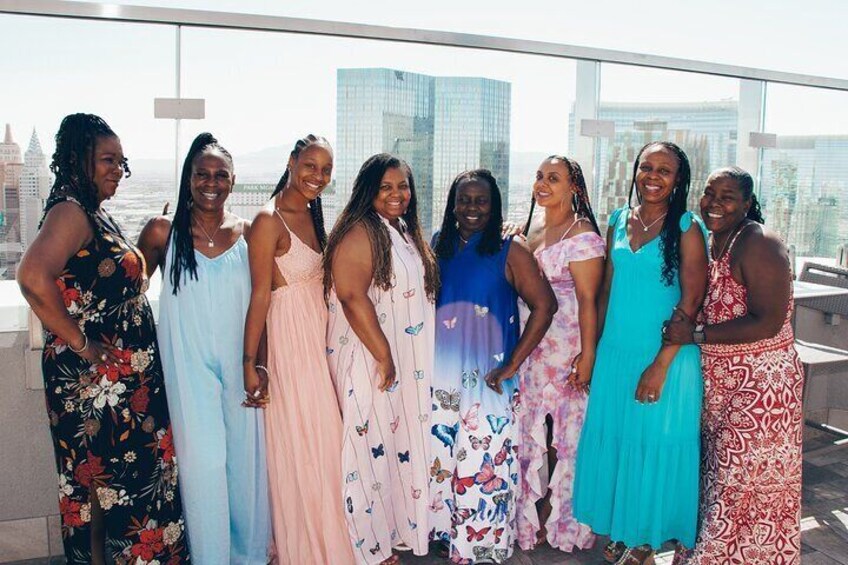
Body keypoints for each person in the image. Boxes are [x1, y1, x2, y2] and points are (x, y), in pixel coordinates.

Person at [16, 113, 189, 564]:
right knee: (97, 492)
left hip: (120, 386)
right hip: (94, 386)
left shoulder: (92, 210)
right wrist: (81, 343)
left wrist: (150, 240)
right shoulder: (70, 212)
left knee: (113, 490)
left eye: (121, 161)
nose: (118, 169)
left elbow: (112, 283)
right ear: (79, 160)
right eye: (108, 159)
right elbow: (32, 276)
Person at [136, 132, 271, 563]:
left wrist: (261, 365)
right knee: (205, 467)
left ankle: (248, 557)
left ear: (233, 180)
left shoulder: (249, 234)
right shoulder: (162, 232)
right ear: (188, 178)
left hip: (240, 367)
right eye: (202, 174)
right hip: (188, 369)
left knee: (245, 467)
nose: (211, 182)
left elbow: (263, 305)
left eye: (220, 175)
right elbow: (128, 291)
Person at [572, 141, 708, 565]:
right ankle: (623, 527)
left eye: (664, 170)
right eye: (646, 167)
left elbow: (691, 302)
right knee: (619, 439)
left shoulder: (687, 227)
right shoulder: (617, 219)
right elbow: (605, 292)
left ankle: (646, 540)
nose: (653, 177)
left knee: (652, 442)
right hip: (616, 353)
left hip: (664, 359)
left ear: (679, 180)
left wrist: (660, 365)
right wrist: (592, 353)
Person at [664, 167, 804, 565]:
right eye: (710, 194)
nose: (715, 204)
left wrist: (695, 336)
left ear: (747, 203)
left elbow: (768, 321)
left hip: (761, 389)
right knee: (718, 481)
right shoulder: (711, 239)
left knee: (741, 483)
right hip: (721, 387)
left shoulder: (760, 244)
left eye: (727, 197)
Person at [428, 169, 556, 563]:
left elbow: (545, 306)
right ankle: (447, 535)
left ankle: (482, 547)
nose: (472, 208)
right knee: (443, 459)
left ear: (494, 205)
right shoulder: (439, 243)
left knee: (484, 463)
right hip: (441, 378)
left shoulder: (509, 249)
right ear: (452, 204)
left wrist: (513, 364)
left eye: (481, 200)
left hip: (489, 381)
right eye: (464, 200)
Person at [241, 135, 355, 564]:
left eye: (326, 170)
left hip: (320, 341)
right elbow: (258, 297)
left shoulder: (313, 213)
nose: (318, 176)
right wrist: (250, 364)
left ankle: (338, 540)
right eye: (310, 165)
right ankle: (313, 549)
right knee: (310, 446)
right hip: (292, 346)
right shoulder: (267, 220)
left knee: (327, 445)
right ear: (291, 162)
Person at [324, 153, 439, 565]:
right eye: (386, 187)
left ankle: (389, 534)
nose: (396, 194)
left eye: (402, 186)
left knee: (390, 450)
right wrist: (384, 356)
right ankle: (367, 548)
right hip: (371, 359)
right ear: (367, 190)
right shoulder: (360, 231)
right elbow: (351, 296)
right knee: (365, 452)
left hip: (401, 360)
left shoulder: (400, 228)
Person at [516, 156, 604, 553]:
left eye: (553, 178)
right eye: (539, 176)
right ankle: (529, 513)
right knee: (532, 430)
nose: (543, 184)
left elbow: (588, 301)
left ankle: (559, 516)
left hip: (566, 346)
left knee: (564, 437)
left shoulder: (581, 233)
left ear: (574, 188)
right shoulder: (532, 227)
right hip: (531, 347)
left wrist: (588, 356)